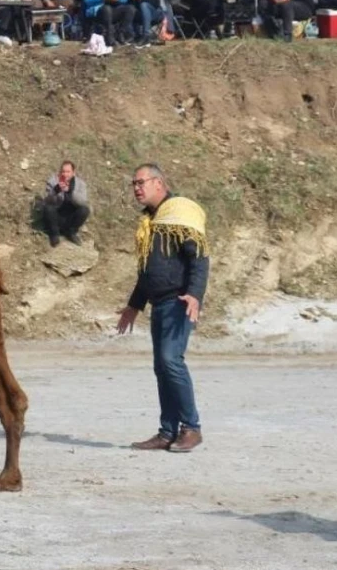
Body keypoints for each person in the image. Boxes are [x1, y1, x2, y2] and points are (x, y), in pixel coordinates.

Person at [118, 163, 209, 454]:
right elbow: (149, 271)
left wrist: (195, 295)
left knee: (171, 361)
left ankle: (191, 428)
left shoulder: (181, 212)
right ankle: (167, 432)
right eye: (134, 183)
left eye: (141, 182)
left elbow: (200, 258)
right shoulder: (150, 222)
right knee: (162, 367)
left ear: (159, 183)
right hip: (159, 303)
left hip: (179, 301)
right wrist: (134, 306)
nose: (136, 188)